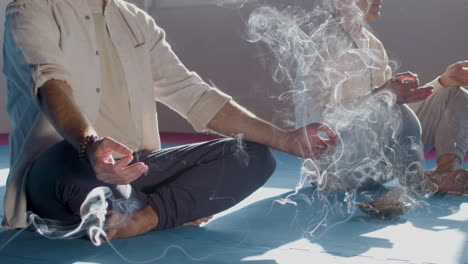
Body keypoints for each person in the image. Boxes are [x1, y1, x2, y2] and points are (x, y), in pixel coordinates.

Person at [2, 0, 340, 240]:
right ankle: (163, 207)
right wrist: (91, 145)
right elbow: (50, 84)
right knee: (68, 155)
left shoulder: (136, 20)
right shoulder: (30, 10)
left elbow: (192, 93)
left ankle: (146, 218)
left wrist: (285, 139)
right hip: (59, 172)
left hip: (136, 171)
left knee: (254, 155)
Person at [293, 0, 468, 194]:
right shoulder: (321, 44)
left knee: (454, 92)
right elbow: (314, 123)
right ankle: (421, 182)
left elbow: (396, 114)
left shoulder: (372, 43)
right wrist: (381, 94)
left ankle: (445, 173)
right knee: (389, 107)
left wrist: (442, 82)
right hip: (336, 169)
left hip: (379, 159)